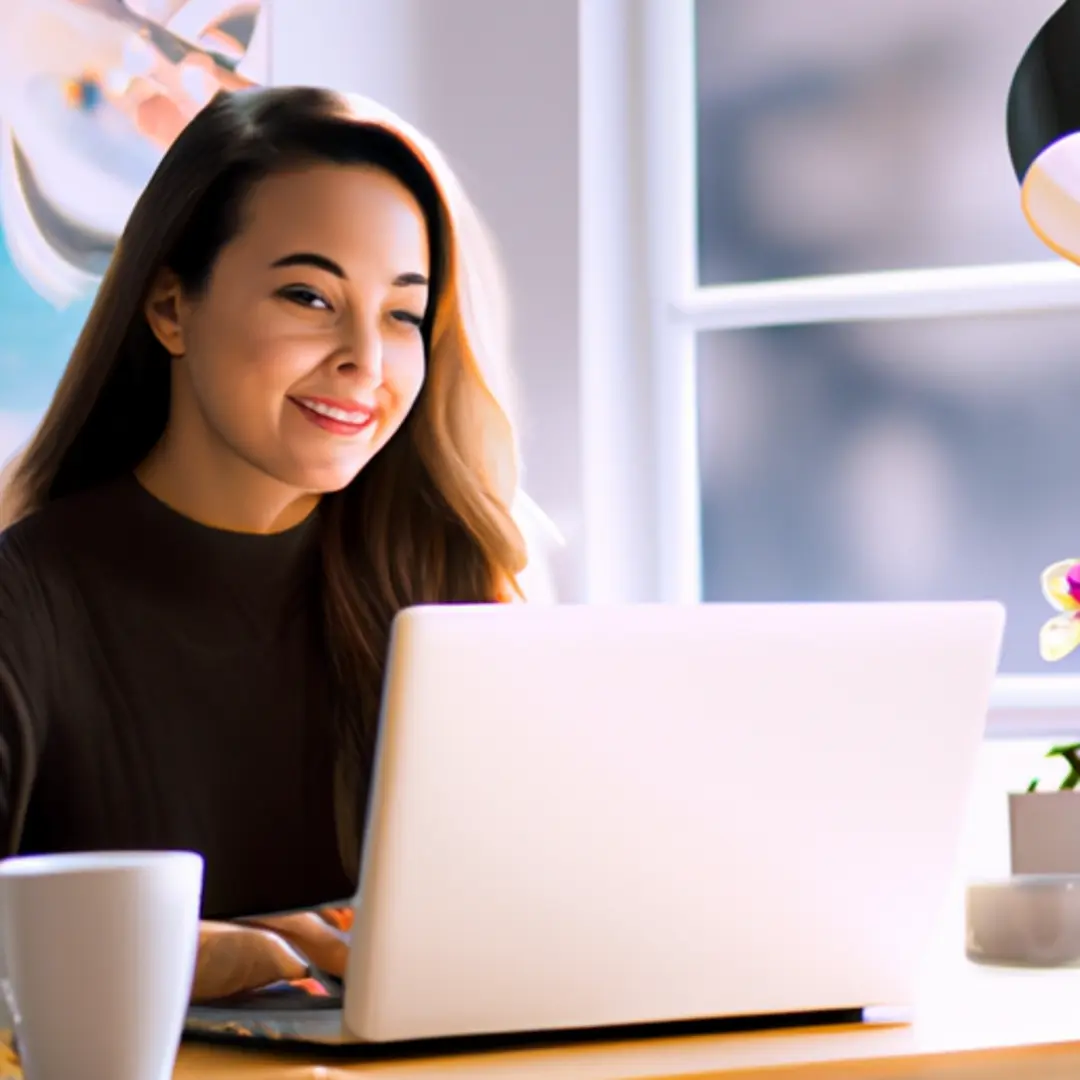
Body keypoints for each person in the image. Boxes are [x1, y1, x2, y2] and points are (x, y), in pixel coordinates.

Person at [0, 85, 529, 1000]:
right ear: (170, 307)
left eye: (403, 313)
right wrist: (173, 956)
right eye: (308, 296)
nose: (367, 357)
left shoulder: (449, 589)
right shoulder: (26, 600)